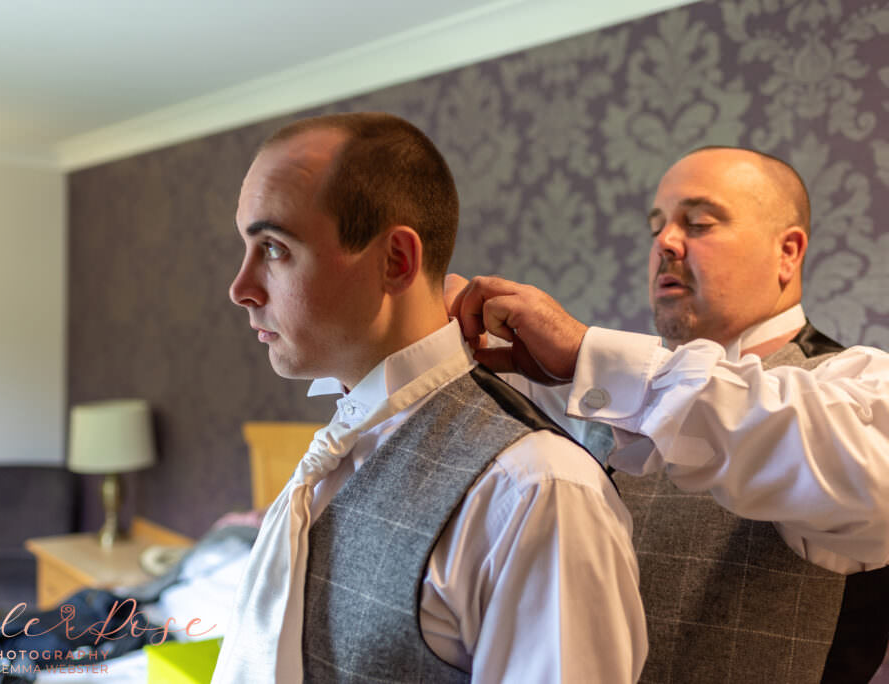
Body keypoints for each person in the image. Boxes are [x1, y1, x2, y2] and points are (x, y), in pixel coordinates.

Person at [214, 112, 647, 683]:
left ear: (395, 260)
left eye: (273, 248)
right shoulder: (343, 448)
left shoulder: (534, 493)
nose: (240, 288)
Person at [449, 146, 889, 683]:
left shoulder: (861, 388)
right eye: (656, 227)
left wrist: (590, 353)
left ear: (788, 253)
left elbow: (853, 470)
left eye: (698, 223)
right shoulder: (608, 398)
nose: (665, 243)